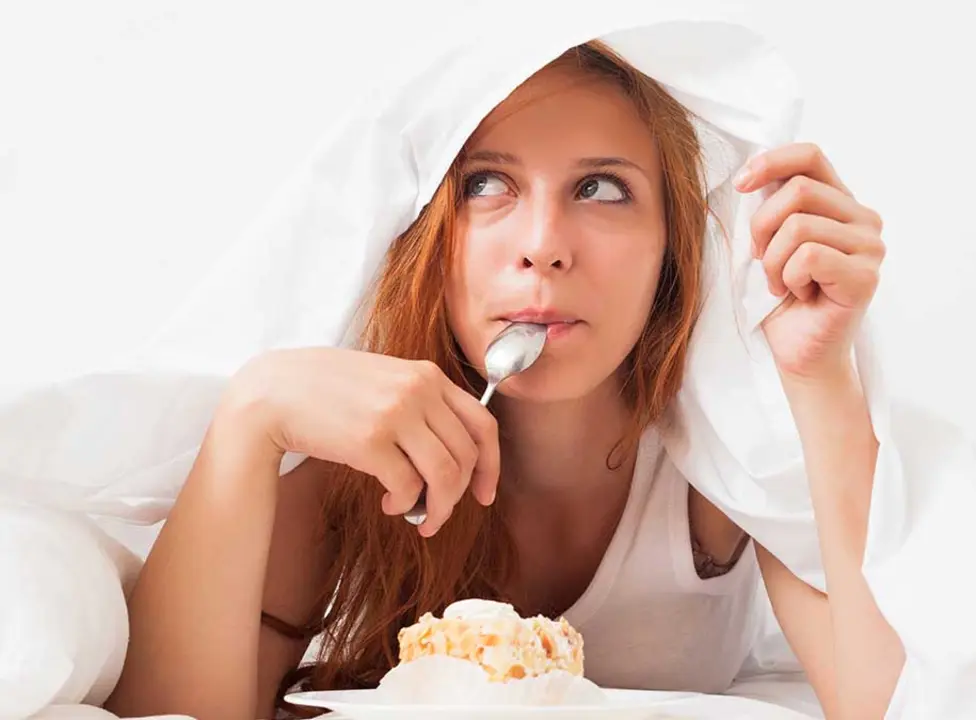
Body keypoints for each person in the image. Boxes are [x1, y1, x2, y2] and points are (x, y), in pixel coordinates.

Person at [104, 40, 903, 720]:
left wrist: (819, 373)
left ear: (673, 249)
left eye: (601, 188)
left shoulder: (719, 465)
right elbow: (165, 715)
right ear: (426, 240)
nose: (543, 246)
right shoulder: (351, 465)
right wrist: (250, 416)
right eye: (487, 184)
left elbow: (898, 704)